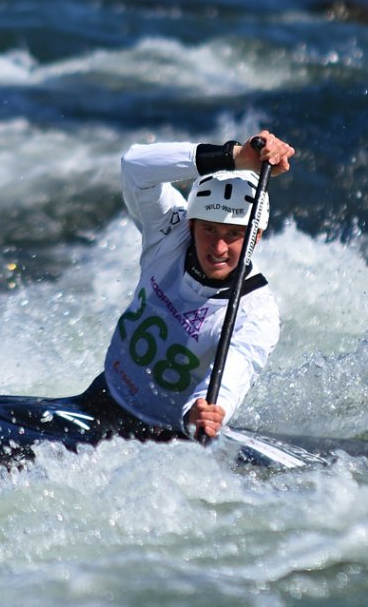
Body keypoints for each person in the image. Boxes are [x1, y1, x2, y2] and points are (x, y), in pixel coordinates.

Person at [77, 130, 295, 442]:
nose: (218, 248)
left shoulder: (257, 312)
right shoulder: (171, 232)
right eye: (209, 230)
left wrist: (203, 410)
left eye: (234, 234)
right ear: (191, 224)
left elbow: (236, 370)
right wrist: (233, 157)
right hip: (100, 401)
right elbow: (134, 165)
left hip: (166, 436)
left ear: (256, 236)